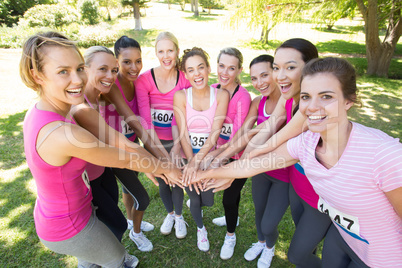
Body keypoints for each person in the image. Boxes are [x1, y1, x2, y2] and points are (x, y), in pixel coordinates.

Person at [196, 57, 402, 268]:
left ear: (349, 100)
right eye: (306, 97)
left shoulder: (384, 155)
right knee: (298, 257)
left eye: (326, 97)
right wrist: (204, 174)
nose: (312, 107)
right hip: (342, 239)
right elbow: (253, 165)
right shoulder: (306, 142)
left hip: (384, 259)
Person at [21, 32, 180, 268]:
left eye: (79, 69)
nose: (77, 80)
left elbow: (122, 141)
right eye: (63, 71)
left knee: (104, 247)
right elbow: (124, 157)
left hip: (76, 210)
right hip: (68, 224)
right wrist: (167, 170)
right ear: (37, 75)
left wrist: (160, 164)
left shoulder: (52, 110)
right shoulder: (64, 132)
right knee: (115, 257)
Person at [195, 38, 332, 268]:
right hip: (297, 184)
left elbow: (278, 141)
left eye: (290, 67)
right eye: (277, 68)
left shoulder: (311, 105)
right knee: (302, 247)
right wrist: (234, 164)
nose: (280, 76)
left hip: (318, 191)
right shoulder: (289, 99)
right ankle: (265, 244)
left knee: (305, 251)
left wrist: (234, 170)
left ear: (310, 67)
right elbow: (265, 130)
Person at [79, 43, 159, 252]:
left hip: (108, 164)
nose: (110, 75)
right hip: (102, 165)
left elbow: (135, 122)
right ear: (85, 69)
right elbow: (118, 143)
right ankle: (132, 235)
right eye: (104, 69)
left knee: (116, 209)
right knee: (136, 201)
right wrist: (155, 166)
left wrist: (158, 159)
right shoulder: (81, 104)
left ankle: (128, 232)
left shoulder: (110, 87)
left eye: (113, 70)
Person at [135, 32, 191, 239]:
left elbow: (184, 114)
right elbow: (145, 120)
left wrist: (176, 148)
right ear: (156, 52)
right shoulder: (144, 80)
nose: (166, 56)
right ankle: (170, 213)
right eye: (161, 51)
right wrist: (159, 152)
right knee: (162, 178)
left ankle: (179, 215)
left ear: (177, 51)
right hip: (154, 140)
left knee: (176, 178)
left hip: (178, 139)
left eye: (170, 50)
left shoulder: (184, 78)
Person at [174, 47, 229, 252]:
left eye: (200, 67)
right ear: (185, 74)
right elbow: (183, 133)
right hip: (188, 156)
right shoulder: (180, 96)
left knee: (208, 199)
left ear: (208, 68)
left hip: (209, 158)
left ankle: (196, 203)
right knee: (195, 196)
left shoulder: (221, 95)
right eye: (191, 70)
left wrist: (199, 162)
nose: (197, 74)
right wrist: (191, 163)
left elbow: (215, 132)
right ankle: (200, 229)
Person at [201, 47, 251, 260]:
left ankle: (230, 235)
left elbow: (237, 139)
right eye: (222, 66)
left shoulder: (243, 97)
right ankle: (230, 217)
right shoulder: (211, 89)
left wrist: (215, 157)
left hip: (238, 156)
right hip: (215, 152)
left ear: (239, 70)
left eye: (232, 68)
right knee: (209, 190)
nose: (225, 72)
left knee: (230, 198)